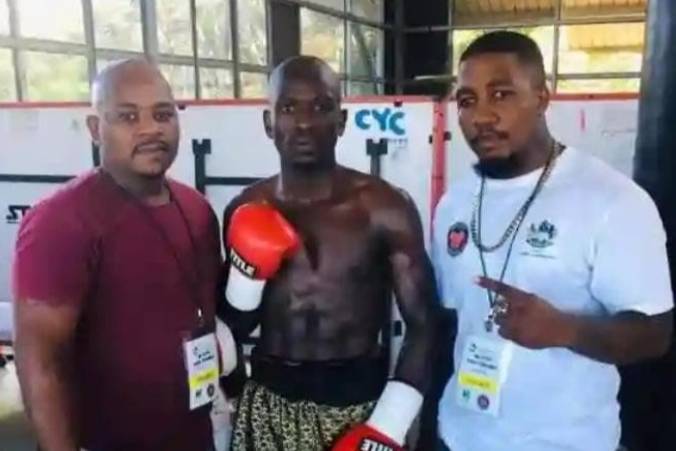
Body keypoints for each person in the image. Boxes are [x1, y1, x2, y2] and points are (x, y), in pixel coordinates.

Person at [432, 31, 674, 451]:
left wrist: (566, 329)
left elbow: (655, 333)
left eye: (501, 94)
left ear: (542, 98)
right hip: (459, 436)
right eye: (467, 101)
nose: (482, 116)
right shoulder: (455, 203)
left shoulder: (612, 200)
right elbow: (451, 321)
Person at [12, 59, 235, 451]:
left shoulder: (197, 210)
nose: (150, 129)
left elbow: (206, 316)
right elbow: (41, 365)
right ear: (95, 129)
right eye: (128, 116)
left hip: (193, 436)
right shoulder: (60, 222)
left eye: (162, 114)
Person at [219, 55, 439, 451]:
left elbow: (424, 326)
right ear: (269, 123)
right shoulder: (245, 208)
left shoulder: (386, 209)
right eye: (288, 108)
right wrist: (244, 277)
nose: (304, 123)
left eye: (320, 107)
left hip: (358, 405)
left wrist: (388, 426)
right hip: (268, 403)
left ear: (341, 120)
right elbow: (234, 324)